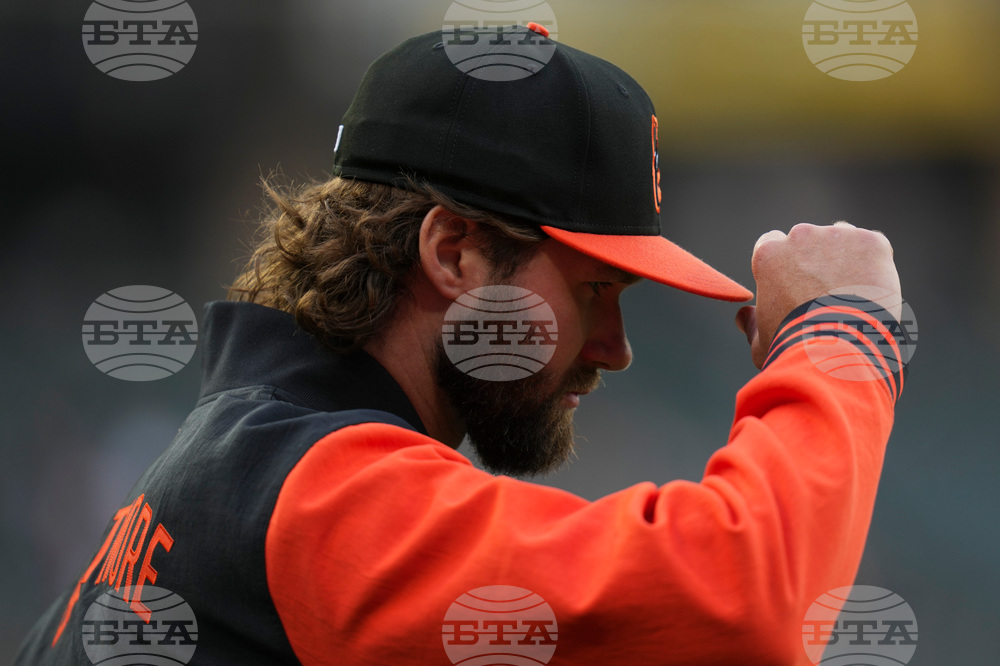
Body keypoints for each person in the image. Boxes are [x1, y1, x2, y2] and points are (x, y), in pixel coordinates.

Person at [16, 26, 908, 665]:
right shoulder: (313, 494)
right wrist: (843, 338)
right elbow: (747, 608)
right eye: (594, 290)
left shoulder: (232, 474)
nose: (614, 348)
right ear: (453, 254)